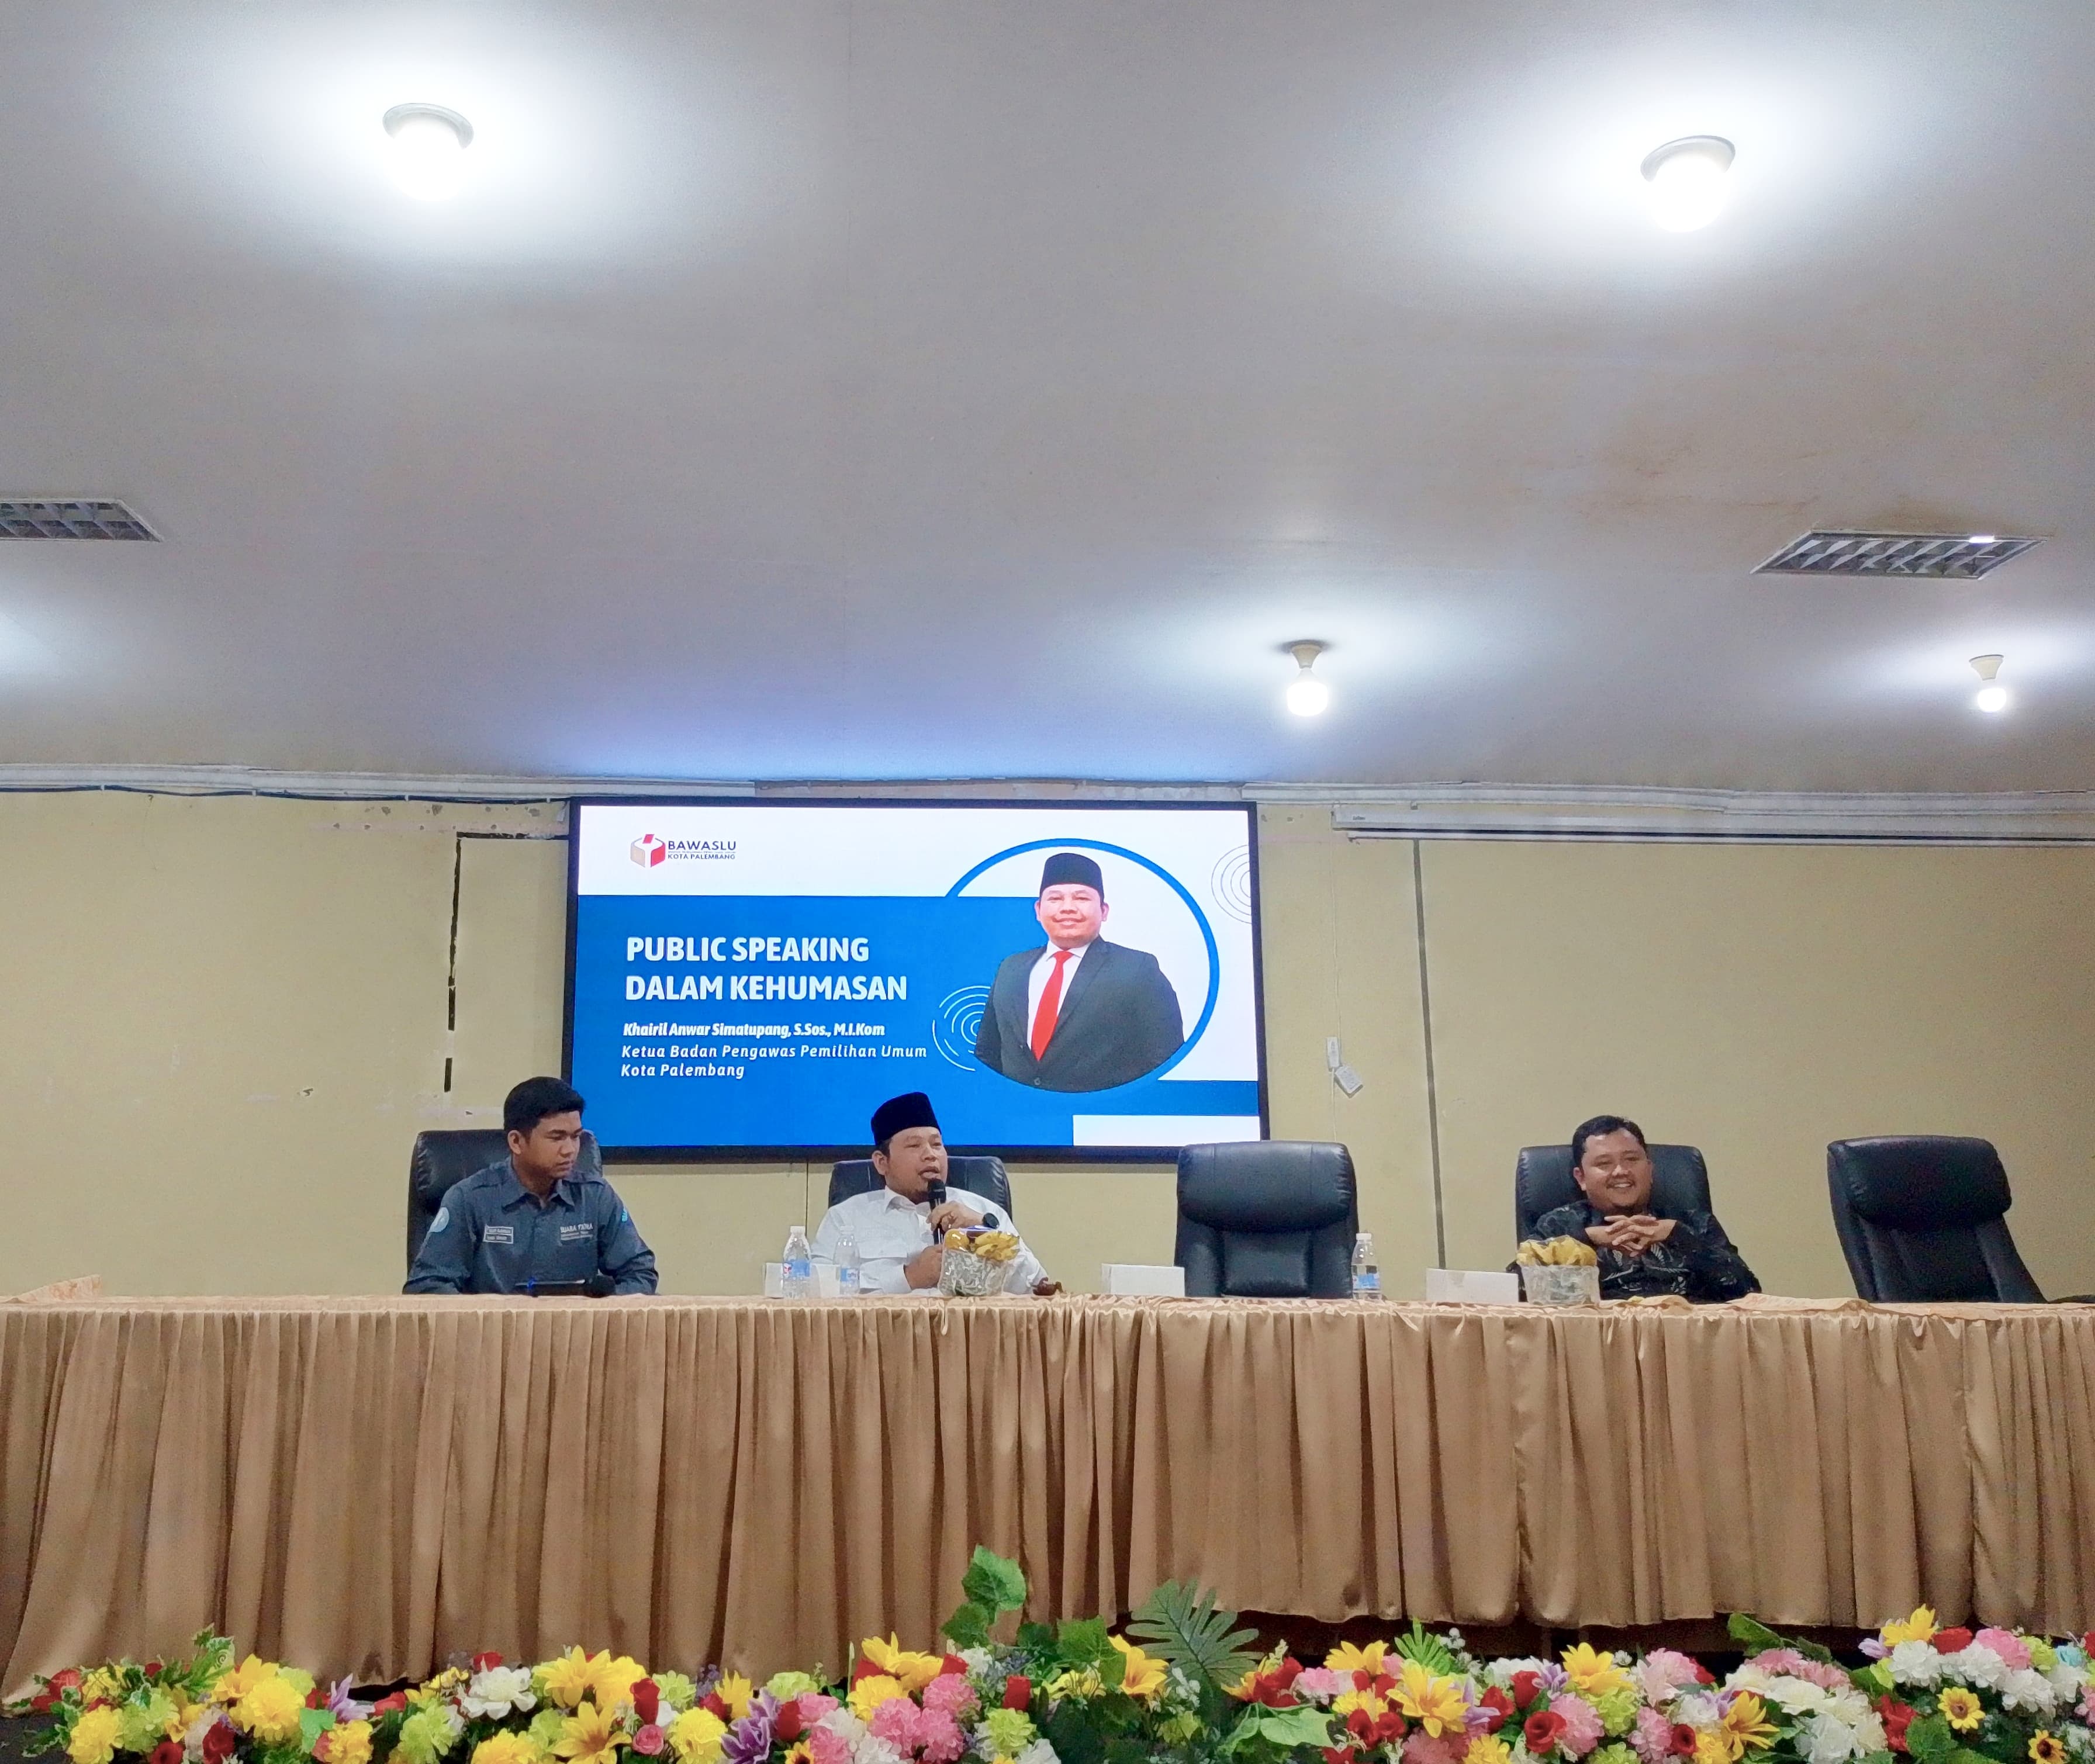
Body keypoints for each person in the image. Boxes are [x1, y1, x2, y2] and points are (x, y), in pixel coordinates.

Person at [405, 1077, 658, 1295]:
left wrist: (594, 1314)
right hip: (494, 1334)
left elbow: (640, 1274)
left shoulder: (596, 1195)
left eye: (576, 1137)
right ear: (516, 1142)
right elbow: (427, 1286)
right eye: (557, 1138)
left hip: (576, 1333)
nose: (570, 1150)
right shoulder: (469, 1199)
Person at [973, 852, 1184, 1092]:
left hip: (1100, 1113)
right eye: (1055, 899)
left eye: (1081, 898)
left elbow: (1165, 1058)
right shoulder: (1011, 968)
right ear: (1038, 910)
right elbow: (987, 1053)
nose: (1067, 908)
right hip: (1018, 1111)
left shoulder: (1137, 969)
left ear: (1104, 911)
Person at [811, 1091, 1055, 1294]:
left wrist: (985, 1232)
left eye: (937, 1144)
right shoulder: (845, 1218)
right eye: (914, 1145)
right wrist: (909, 1277)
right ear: (882, 1162)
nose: (931, 1155)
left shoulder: (984, 1212)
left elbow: (1037, 1288)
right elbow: (816, 1292)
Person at [1523, 1114, 1759, 1303]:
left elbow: (1749, 1293)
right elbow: (1517, 1294)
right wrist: (1584, 1240)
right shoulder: (1559, 1226)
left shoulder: (1694, 1223)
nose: (1621, 1172)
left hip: (1686, 1340)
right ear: (1581, 1178)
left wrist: (1679, 1236)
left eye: (1631, 1160)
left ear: (1650, 1169)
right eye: (1604, 1164)